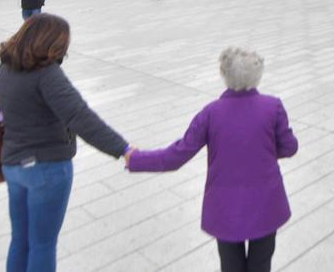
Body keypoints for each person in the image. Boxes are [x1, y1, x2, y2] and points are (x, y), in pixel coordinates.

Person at [127, 47, 298, 272]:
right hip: (266, 203)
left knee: (230, 265)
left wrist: (135, 159)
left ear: (224, 74)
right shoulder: (273, 106)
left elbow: (176, 156)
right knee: (261, 263)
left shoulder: (210, 113)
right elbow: (289, 147)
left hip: (225, 207)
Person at [0, 14, 129, 272]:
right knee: (43, 244)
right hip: (46, 169)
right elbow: (80, 116)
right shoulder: (47, 75)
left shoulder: (5, 66)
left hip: (13, 165)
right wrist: (123, 149)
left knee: (20, 239)